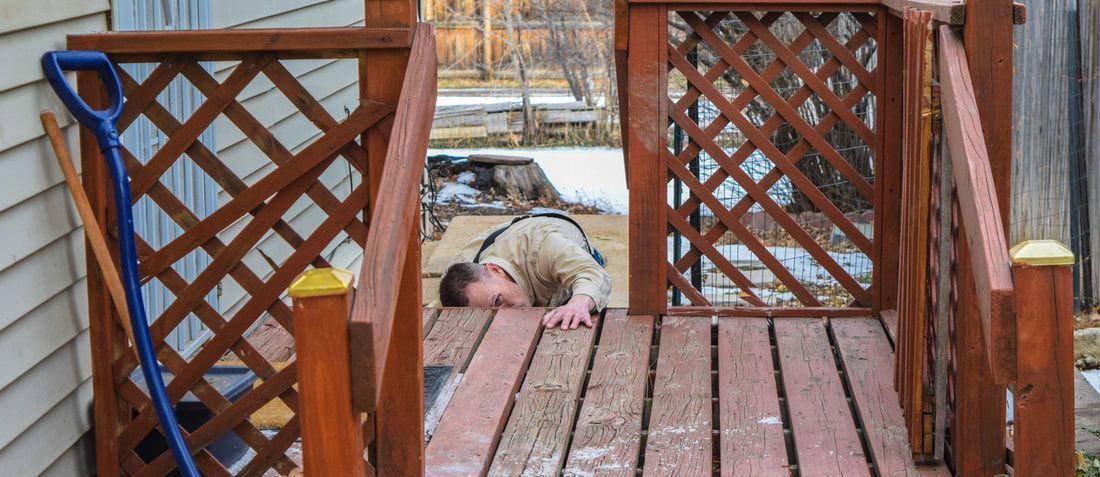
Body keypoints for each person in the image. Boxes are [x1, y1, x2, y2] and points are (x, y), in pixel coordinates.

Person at [436, 213, 612, 330]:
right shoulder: (460, 274)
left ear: (496, 270)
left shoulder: (542, 244)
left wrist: (578, 303)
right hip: (494, 239)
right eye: (492, 314)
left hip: (549, 230)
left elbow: (591, 273)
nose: (505, 315)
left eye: (498, 301)